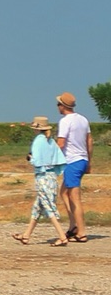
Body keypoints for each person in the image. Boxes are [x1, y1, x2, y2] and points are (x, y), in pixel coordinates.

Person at [15, 116, 71, 246]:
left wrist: (30, 159)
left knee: (48, 206)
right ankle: (26, 235)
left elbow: (37, 161)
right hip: (52, 177)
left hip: (42, 177)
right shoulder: (50, 141)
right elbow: (58, 159)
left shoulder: (38, 141)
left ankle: (62, 237)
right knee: (38, 207)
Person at [56, 92, 92, 242]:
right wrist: (89, 162)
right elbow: (89, 141)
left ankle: (81, 232)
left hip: (72, 161)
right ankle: (73, 226)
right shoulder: (83, 119)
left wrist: (50, 158)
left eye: (58, 104)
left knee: (74, 197)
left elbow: (61, 143)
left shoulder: (65, 121)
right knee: (64, 193)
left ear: (63, 106)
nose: (57, 107)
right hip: (82, 160)